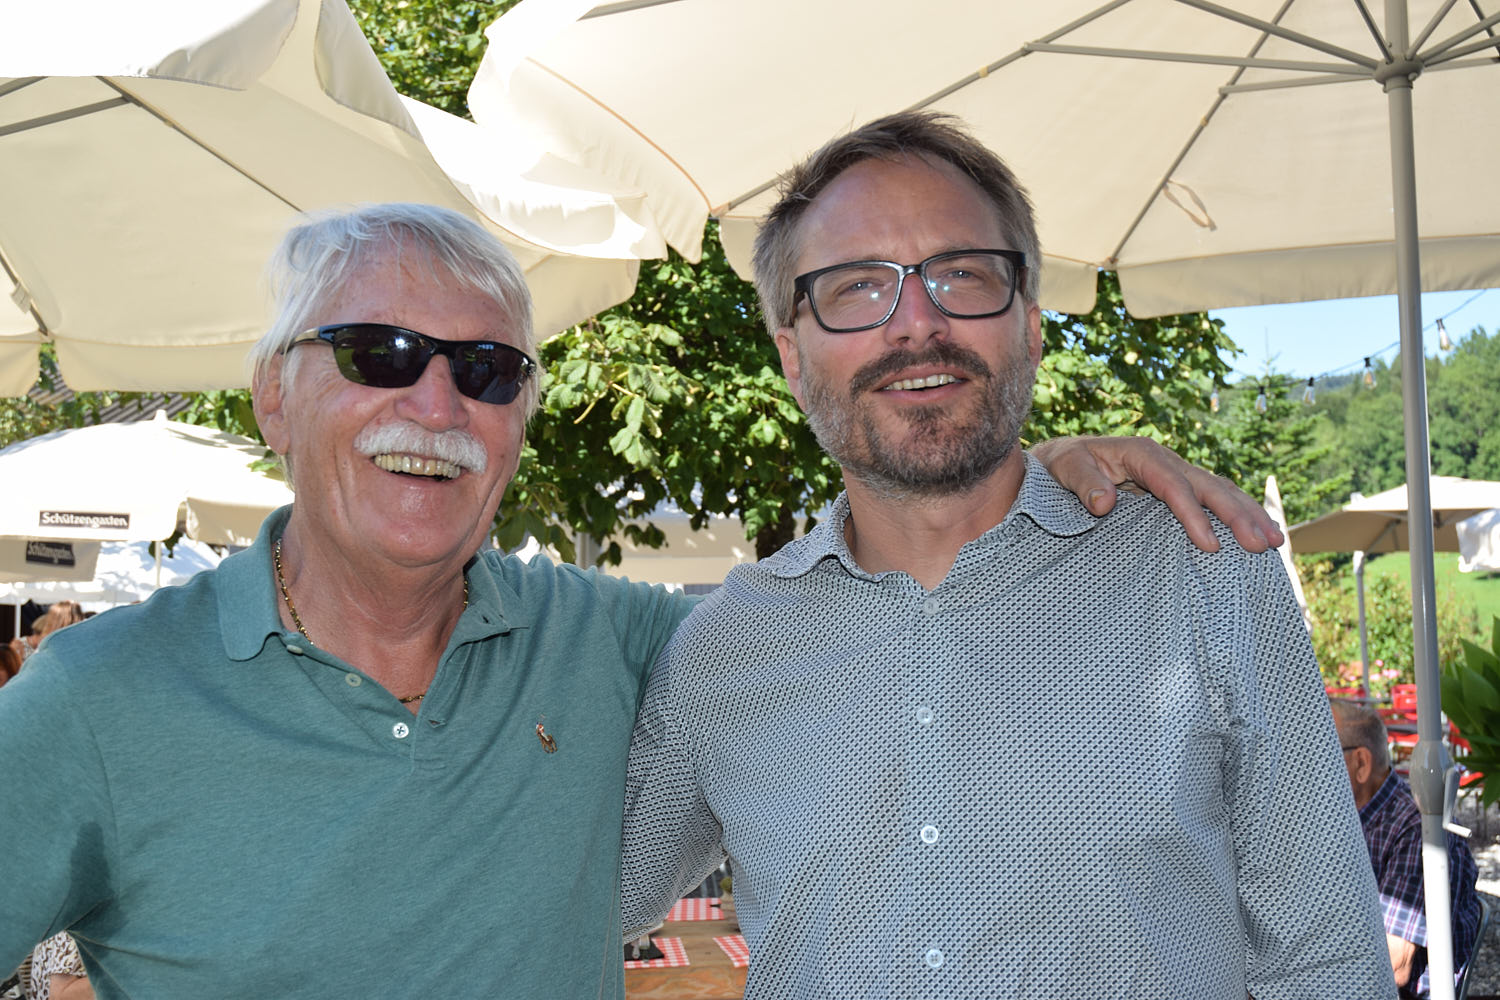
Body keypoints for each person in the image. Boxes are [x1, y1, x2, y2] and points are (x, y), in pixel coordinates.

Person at [0, 201, 1278, 998]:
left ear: (518, 420)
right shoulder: (99, 700)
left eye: (487, 370)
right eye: (379, 354)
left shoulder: (629, 644)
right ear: (275, 396)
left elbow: (875, 607)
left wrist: (1013, 472)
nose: (434, 405)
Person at [620, 112, 1394, 999]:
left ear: (1030, 325)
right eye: (856, 287)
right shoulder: (721, 652)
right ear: (794, 360)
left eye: (962, 274)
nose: (917, 323)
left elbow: (1327, 963)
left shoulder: (1203, 571)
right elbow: (576, 900)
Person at [1331, 698, 1483, 998]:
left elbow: (1392, 964)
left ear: (1361, 763)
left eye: (1318, 755)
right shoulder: (1343, 817)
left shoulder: (1418, 829)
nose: (1303, 770)